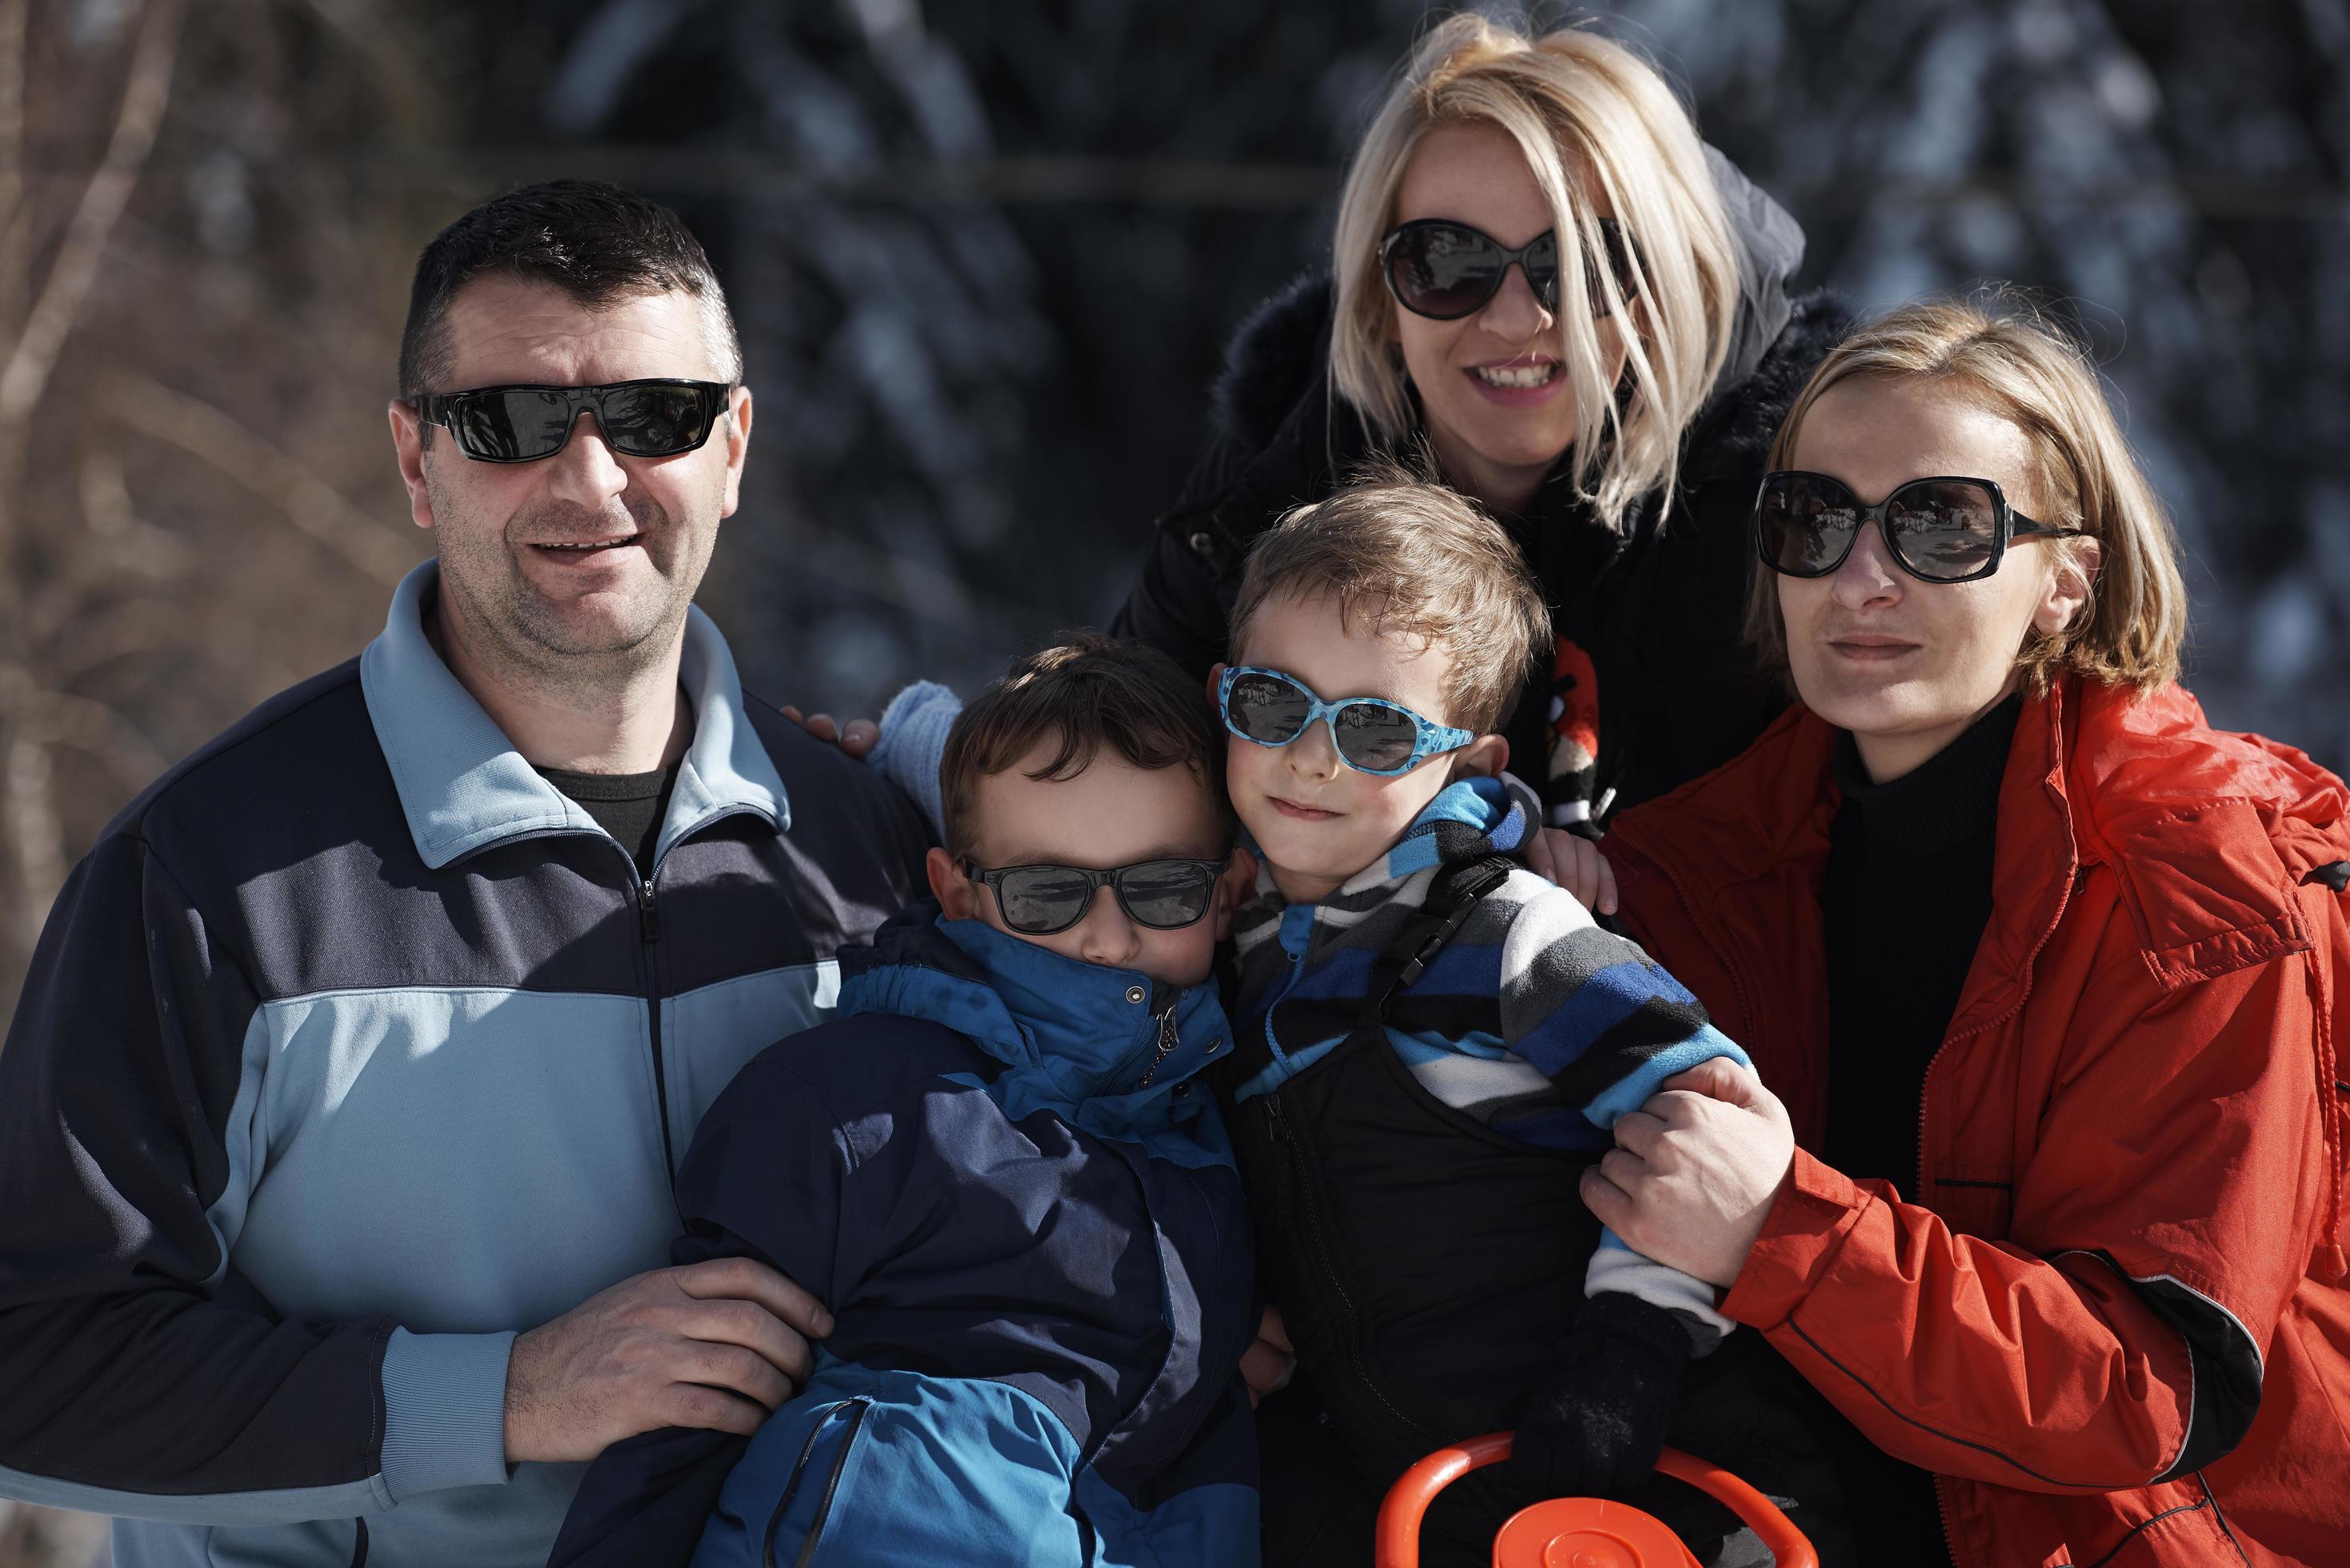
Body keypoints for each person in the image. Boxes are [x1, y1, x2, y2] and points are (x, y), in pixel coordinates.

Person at [0, 181, 931, 1567]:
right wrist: (506, 1396)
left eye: (657, 417)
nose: (592, 479)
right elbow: (37, 1364)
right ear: (414, 457)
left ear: (733, 447)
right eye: (511, 422)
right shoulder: (207, 877)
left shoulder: (872, 854)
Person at [1594, 297, 2350, 1566]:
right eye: (1812, 520)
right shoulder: (1694, 871)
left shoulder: (2198, 886)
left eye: (1942, 524)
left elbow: (2142, 1386)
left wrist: (1777, 1227)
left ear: (2067, 579)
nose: (1860, 576)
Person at [1211, 470, 1847, 1567]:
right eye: (1273, 704)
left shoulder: (1507, 935)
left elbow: (1705, 1104)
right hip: (1417, 1486)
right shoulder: (1235, 949)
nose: (1311, 756)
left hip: (1635, 1475)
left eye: (1374, 731)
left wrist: (1630, 1350)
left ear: (1471, 761)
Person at [545, 636, 1259, 1567]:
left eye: (1162, 887)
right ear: (957, 893)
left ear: (1230, 892)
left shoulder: (1235, 1128)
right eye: (1048, 893)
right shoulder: (854, 1104)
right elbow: (689, 1408)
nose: (1108, 939)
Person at [1112, 13, 1850, 831]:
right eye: (1445, 262)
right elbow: (1107, 781)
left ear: (1661, 292)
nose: (1514, 319)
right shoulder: (1276, 487)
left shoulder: (1792, 508)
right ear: (1378, 300)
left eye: (1578, 265)